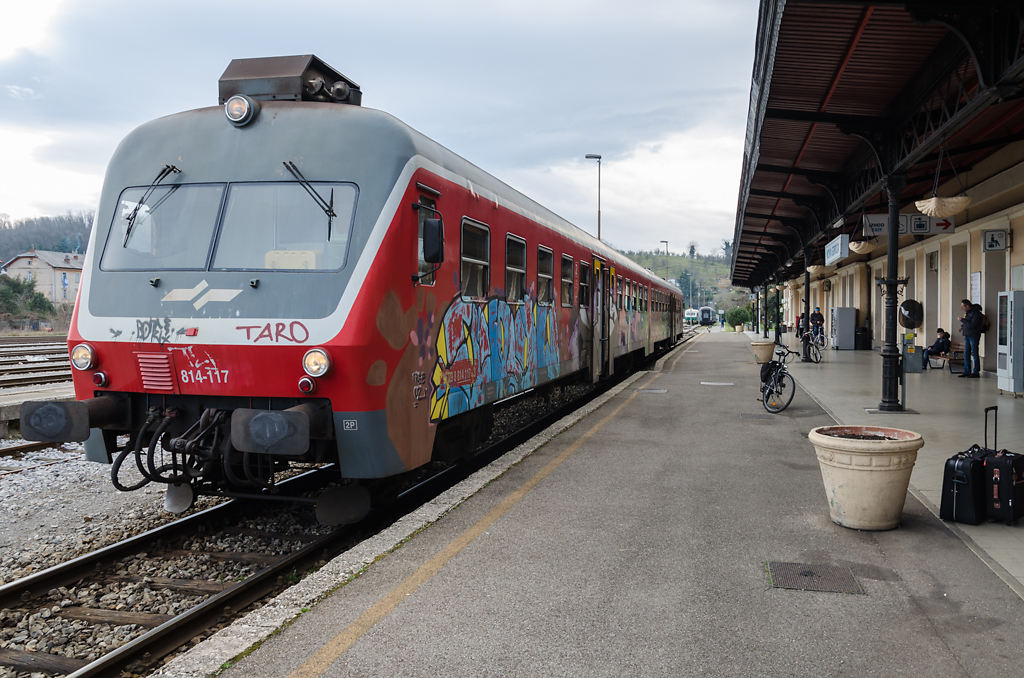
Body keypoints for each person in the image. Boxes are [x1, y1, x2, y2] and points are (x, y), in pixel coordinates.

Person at [959, 299, 982, 378]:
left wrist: (962, 320)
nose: (962, 308)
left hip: (974, 335)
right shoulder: (967, 313)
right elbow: (967, 322)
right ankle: (967, 371)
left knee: (974, 353)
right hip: (967, 335)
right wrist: (962, 327)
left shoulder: (976, 313)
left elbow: (973, 324)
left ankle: (976, 372)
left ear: (967, 306)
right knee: (966, 354)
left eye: (963, 307)